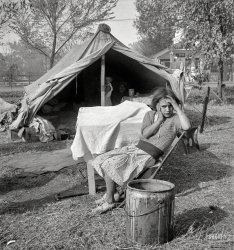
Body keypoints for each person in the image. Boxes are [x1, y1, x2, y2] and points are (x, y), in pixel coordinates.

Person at [91, 87, 191, 213]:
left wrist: (177, 108)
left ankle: (110, 201)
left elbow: (187, 126)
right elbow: (145, 134)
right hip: (137, 149)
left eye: (171, 106)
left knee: (109, 164)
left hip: (149, 154)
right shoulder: (150, 115)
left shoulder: (175, 119)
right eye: (164, 106)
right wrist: (159, 120)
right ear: (157, 105)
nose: (168, 109)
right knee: (102, 158)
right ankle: (113, 193)